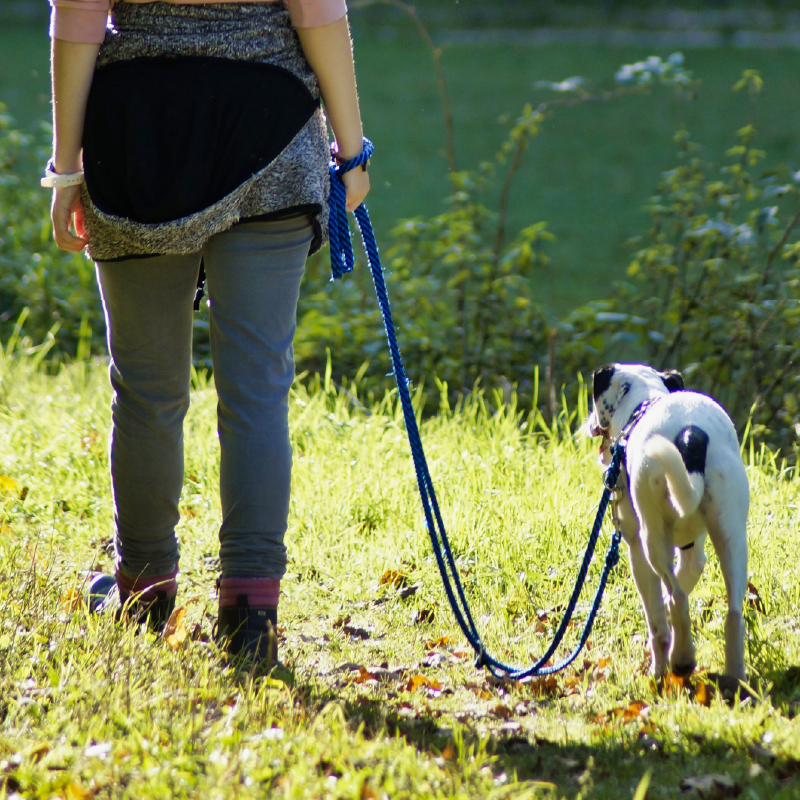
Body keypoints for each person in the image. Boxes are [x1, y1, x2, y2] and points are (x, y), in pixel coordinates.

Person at [46, 0, 370, 666]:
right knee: (256, 390)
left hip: (138, 131)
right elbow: (317, 12)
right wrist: (351, 148)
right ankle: (251, 612)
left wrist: (67, 169)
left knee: (145, 387)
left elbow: (79, 15)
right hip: (270, 118)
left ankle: (143, 592)